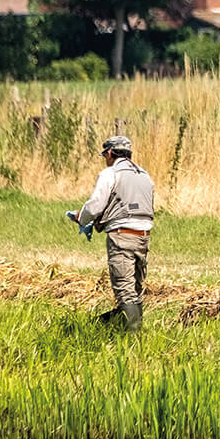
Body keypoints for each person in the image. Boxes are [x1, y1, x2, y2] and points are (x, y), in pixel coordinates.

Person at [73, 134, 154, 333]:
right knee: (135, 288)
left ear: (110, 153)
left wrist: (81, 218)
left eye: (105, 155)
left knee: (125, 291)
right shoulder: (145, 175)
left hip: (121, 236)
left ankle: (131, 341)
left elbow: (95, 206)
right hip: (143, 236)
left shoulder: (110, 174)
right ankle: (129, 331)